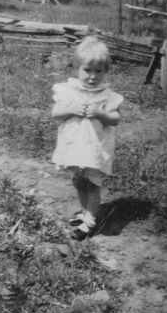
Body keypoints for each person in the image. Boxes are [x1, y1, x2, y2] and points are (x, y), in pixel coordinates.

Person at [51, 36, 123, 240]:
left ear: (106, 71)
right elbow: (56, 113)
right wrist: (72, 108)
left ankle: (91, 222)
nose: (92, 76)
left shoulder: (107, 95)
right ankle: (85, 213)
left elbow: (115, 120)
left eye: (98, 71)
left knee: (92, 184)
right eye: (87, 70)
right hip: (74, 147)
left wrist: (101, 114)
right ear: (77, 68)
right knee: (79, 181)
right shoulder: (68, 90)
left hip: (95, 149)